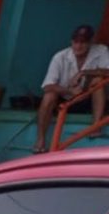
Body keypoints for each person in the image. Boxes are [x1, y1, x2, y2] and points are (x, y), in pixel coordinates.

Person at [34, 24, 109, 153]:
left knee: (98, 81)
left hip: (88, 99)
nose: (78, 46)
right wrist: (69, 91)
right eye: (76, 42)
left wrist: (84, 73)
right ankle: (40, 140)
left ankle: (95, 127)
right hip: (65, 101)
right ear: (71, 41)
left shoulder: (100, 50)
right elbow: (47, 86)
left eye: (83, 42)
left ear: (91, 42)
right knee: (49, 95)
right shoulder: (60, 57)